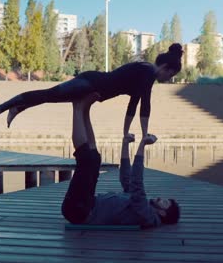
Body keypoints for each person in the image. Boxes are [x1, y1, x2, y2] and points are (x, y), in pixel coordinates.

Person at [0, 43, 184, 141]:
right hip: (90, 84)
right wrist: (145, 134)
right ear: (167, 68)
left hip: (91, 87)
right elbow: (145, 107)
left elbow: (133, 105)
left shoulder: (145, 72)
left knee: (49, 98)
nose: (169, 79)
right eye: (171, 75)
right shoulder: (148, 73)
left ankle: (19, 108)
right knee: (48, 95)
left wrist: (126, 134)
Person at [61, 92, 180, 228]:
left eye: (163, 202)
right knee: (95, 158)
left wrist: (142, 145)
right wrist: (125, 143)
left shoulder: (146, 214)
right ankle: (85, 110)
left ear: (162, 213)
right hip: (86, 203)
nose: (159, 198)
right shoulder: (142, 206)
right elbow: (126, 178)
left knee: (86, 159)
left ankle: (76, 107)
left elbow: (137, 183)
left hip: (78, 211)